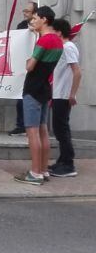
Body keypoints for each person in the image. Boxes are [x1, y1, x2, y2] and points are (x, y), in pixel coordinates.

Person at [15, 6, 62, 186]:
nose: (32, 21)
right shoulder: (56, 40)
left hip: (33, 88)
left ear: (44, 19)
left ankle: (35, 173)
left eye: (35, 18)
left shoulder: (44, 41)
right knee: (43, 131)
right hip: (45, 88)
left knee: (32, 131)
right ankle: (42, 170)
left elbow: (30, 66)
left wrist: (29, 60)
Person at [49, 19, 81, 178]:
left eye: (53, 30)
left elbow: (77, 72)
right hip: (58, 93)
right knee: (59, 128)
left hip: (63, 95)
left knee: (61, 130)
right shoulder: (62, 48)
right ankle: (62, 160)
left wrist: (72, 94)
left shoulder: (68, 47)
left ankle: (69, 164)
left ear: (59, 32)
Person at [9, 2, 39, 136]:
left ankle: (33, 126)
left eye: (27, 11)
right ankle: (21, 125)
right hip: (22, 64)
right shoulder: (21, 26)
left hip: (37, 65)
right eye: (24, 11)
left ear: (34, 13)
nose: (24, 13)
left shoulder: (41, 27)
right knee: (20, 97)